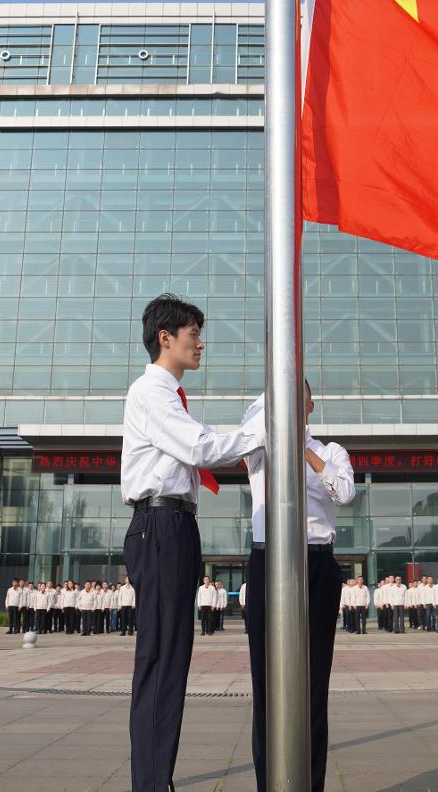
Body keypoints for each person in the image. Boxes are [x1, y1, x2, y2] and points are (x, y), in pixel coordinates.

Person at [121, 294, 265, 792]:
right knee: (161, 656)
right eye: (193, 334)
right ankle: (150, 782)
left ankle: (156, 776)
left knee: (173, 655)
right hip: (159, 524)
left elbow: (199, 445)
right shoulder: (151, 391)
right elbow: (200, 447)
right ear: (166, 338)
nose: (200, 344)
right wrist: (260, 430)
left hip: (175, 525)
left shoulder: (171, 396)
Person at [242, 382, 356, 792]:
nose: (290, 401)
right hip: (268, 559)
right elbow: (250, 419)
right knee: (265, 683)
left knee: (313, 683)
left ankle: (311, 783)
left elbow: (345, 492)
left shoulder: (330, 451)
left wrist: (301, 450)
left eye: (298, 394)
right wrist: (278, 407)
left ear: (310, 405)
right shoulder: (260, 447)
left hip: (316, 563)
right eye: (283, 394)